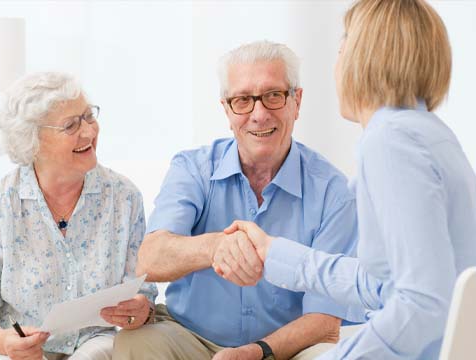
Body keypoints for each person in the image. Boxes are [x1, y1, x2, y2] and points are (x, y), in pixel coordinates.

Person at [225, 1, 476, 359]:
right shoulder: (429, 134)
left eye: (342, 48)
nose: (336, 64)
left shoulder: (391, 141)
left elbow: (422, 302)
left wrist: (341, 357)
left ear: (364, 57)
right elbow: (381, 285)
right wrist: (274, 252)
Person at [113, 41, 363, 360]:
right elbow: (149, 259)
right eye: (243, 100)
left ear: (296, 101)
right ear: (227, 110)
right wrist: (215, 247)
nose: (259, 115)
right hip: (192, 338)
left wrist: (257, 352)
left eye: (273, 95)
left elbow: (324, 319)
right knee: (134, 344)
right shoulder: (193, 168)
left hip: (282, 348)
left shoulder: (332, 191)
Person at [0, 72, 157, 360]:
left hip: (92, 345)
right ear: (32, 141)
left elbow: (144, 294)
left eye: (89, 116)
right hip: (12, 348)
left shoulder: (123, 198)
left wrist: (141, 310)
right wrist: (6, 342)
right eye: (71, 125)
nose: (89, 132)